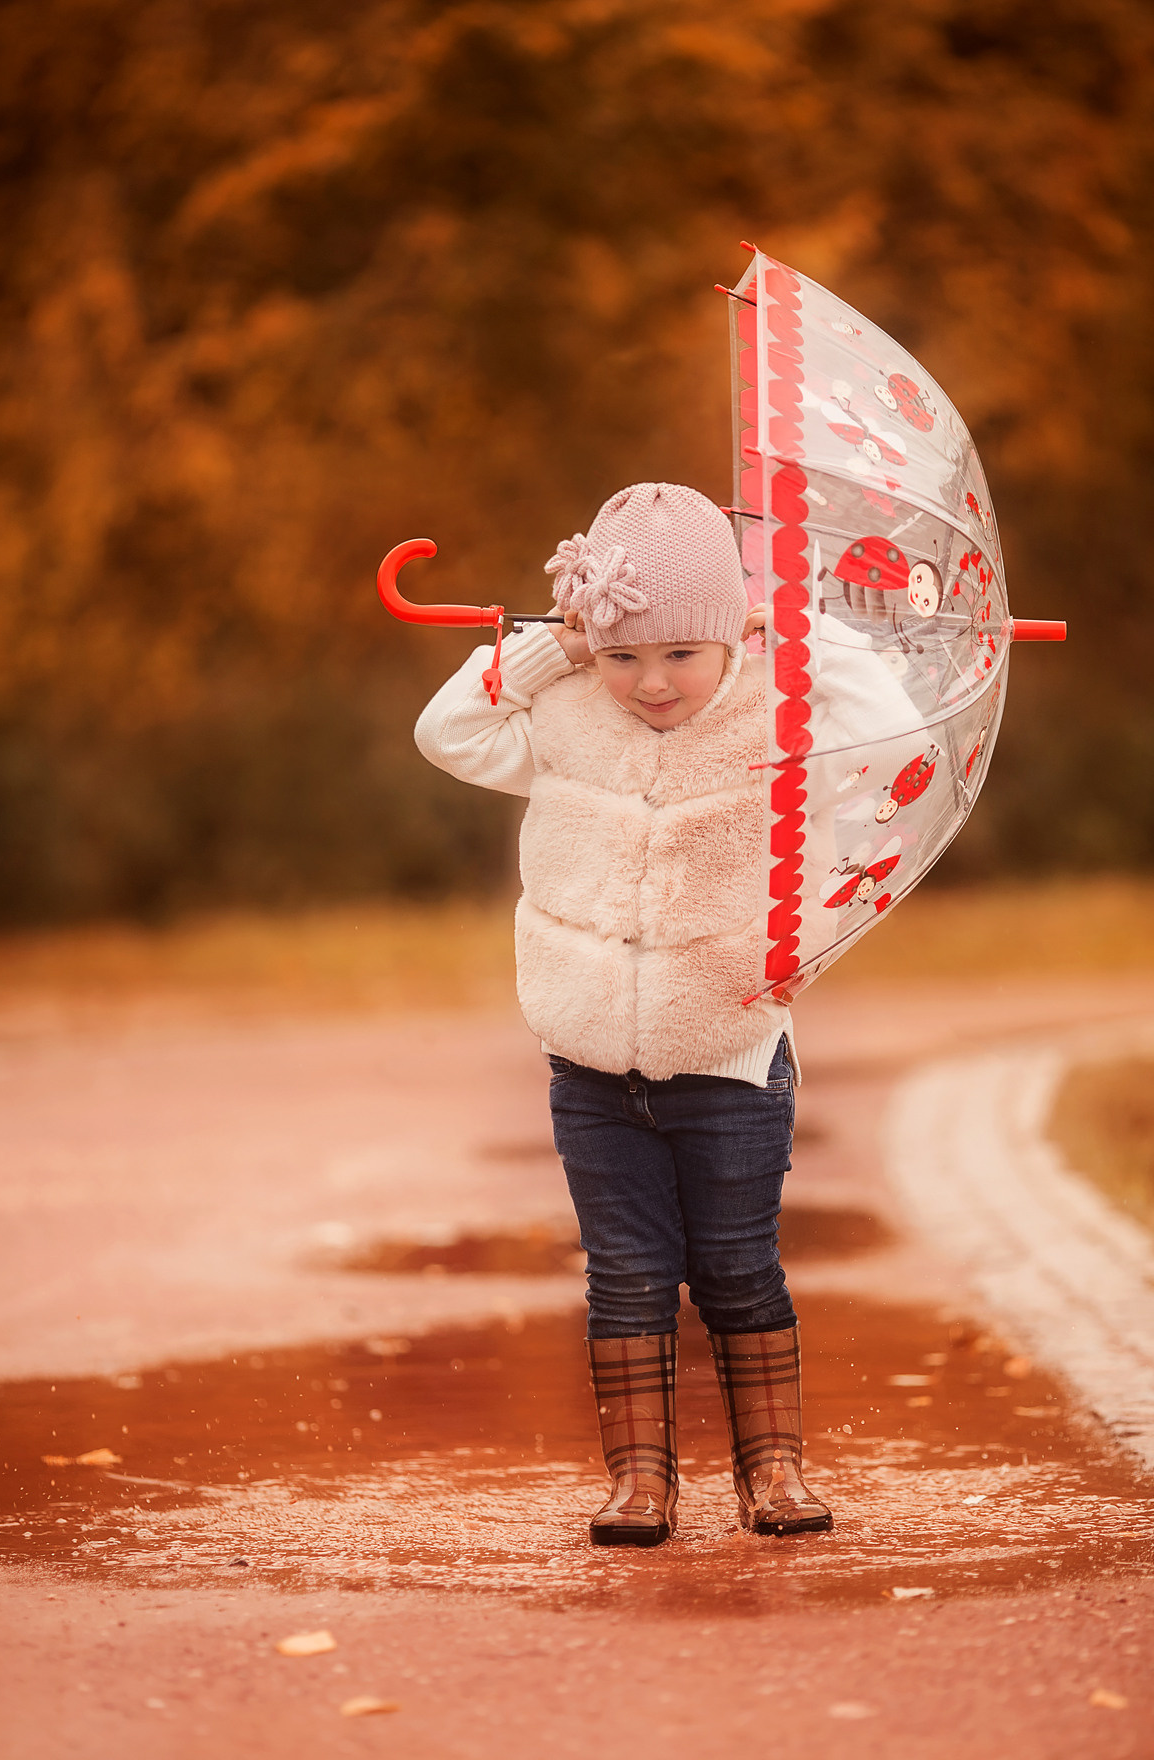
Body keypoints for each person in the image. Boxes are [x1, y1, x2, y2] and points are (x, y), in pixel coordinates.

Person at [414, 480, 834, 1548]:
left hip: (729, 1051)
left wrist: (808, 630)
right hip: (592, 1064)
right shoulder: (565, 721)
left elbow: (884, 729)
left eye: (680, 655)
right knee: (627, 1270)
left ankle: (772, 1466)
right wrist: (549, 649)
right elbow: (445, 730)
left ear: (736, 631)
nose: (650, 683)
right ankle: (641, 1478)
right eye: (621, 656)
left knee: (739, 1264)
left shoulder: (782, 717)